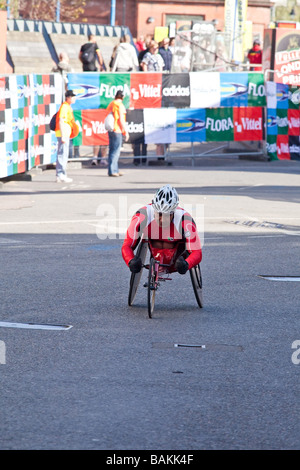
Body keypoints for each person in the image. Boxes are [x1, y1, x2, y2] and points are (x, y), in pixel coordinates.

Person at [122, 185, 202, 274]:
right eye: (160, 214)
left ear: (174, 211)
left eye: (168, 215)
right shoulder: (141, 216)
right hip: (154, 247)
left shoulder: (186, 221)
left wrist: (187, 264)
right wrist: (131, 261)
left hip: (176, 256)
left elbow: (197, 251)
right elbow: (127, 245)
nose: (163, 219)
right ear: (154, 209)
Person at [55, 89, 78, 183]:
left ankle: (61, 174)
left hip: (64, 133)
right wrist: (64, 135)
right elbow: (61, 120)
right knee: (62, 154)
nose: (74, 99)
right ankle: (61, 174)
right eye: (73, 97)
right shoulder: (64, 107)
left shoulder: (67, 106)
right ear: (68, 98)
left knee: (64, 154)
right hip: (62, 134)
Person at [105, 90, 129, 177]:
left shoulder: (112, 103)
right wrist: (125, 131)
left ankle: (114, 169)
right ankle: (113, 170)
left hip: (111, 128)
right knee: (116, 151)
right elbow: (121, 120)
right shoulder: (120, 105)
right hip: (117, 129)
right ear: (122, 97)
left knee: (112, 150)